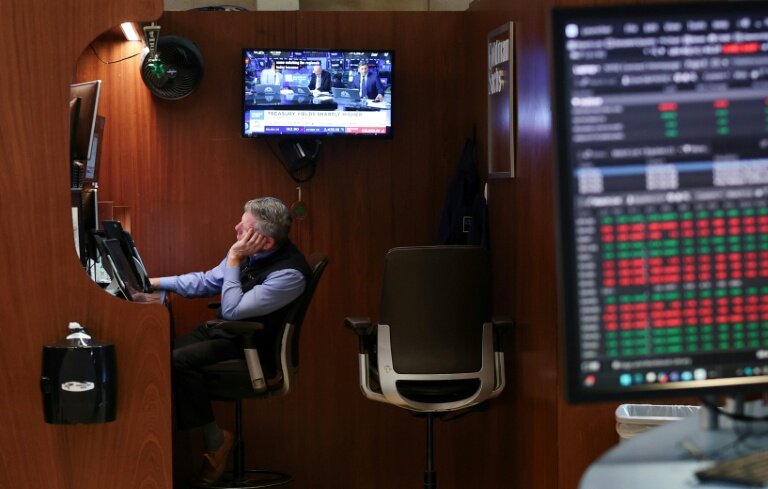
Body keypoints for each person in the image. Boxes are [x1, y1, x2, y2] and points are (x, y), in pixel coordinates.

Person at [150, 197, 311, 485]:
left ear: (266, 242)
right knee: (156, 356)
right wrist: (153, 282)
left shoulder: (289, 273)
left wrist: (235, 258)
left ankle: (216, 441)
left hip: (252, 349)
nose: (236, 227)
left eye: (244, 227)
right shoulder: (251, 251)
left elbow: (233, 310)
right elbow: (207, 281)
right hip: (225, 333)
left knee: (176, 363)